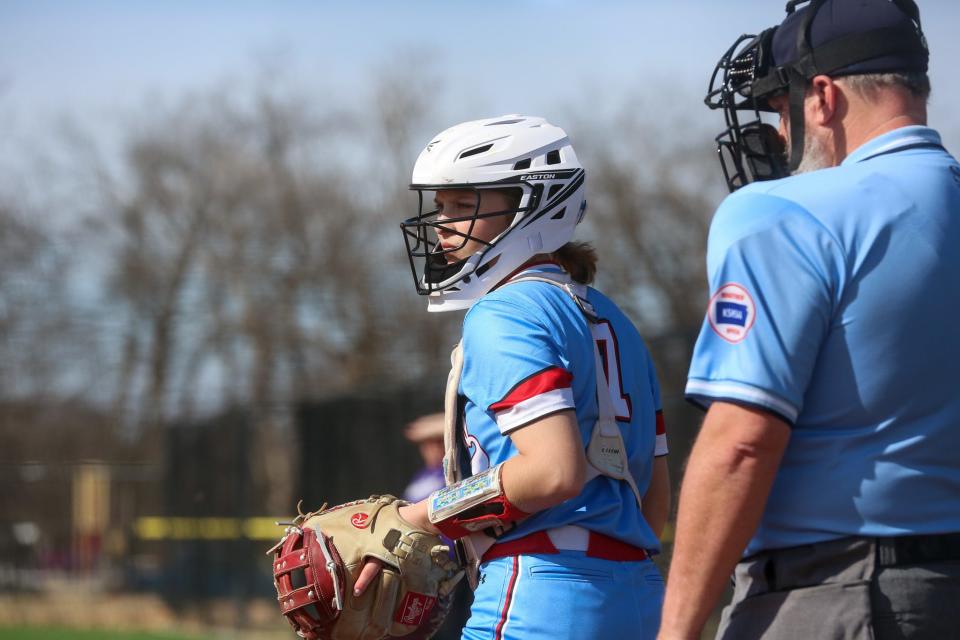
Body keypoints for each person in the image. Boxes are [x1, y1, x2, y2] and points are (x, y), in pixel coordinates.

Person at [659, 1, 960, 638]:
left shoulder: (784, 211)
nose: (780, 132)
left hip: (842, 592)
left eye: (779, 107)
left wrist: (677, 630)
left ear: (822, 97)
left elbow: (742, 444)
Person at [356, 115, 671, 639]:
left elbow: (552, 471)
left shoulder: (504, 312)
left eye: (464, 204)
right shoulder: (619, 320)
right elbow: (653, 500)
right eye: (440, 205)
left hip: (542, 592)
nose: (441, 223)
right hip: (639, 594)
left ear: (531, 205)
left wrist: (419, 517)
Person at [402, 413, 447, 503]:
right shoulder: (421, 475)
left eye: (438, 442)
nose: (432, 449)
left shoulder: (452, 471)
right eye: (426, 443)